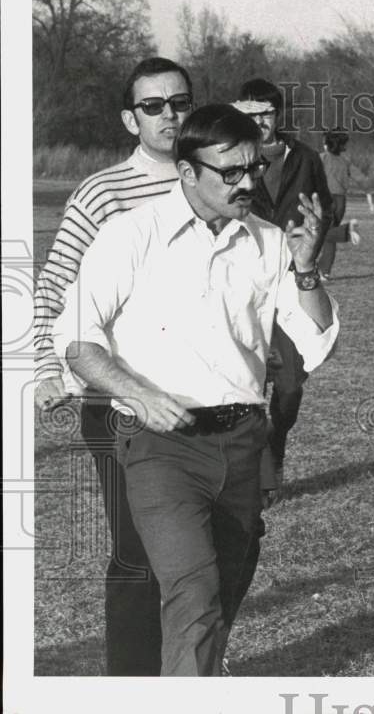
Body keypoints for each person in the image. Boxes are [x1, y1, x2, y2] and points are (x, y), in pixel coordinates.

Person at [52, 103, 339, 676]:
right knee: (195, 592)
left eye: (253, 168)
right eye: (229, 172)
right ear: (188, 172)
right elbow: (77, 341)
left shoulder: (269, 241)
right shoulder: (131, 233)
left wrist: (305, 269)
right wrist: (137, 394)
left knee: (220, 603)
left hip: (242, 444)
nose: (247, 183)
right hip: (161, 443)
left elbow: (315, 342)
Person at [32, 56, 195, 675]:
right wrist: (47, 367)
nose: (169, 115)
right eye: (153, 106)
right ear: (132, 119)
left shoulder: (216, 182)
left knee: (206, 552)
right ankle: (131, 684)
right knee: (137, 552)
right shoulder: (103, 193)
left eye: (179, 101)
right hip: (120, 402)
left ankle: (191, 674)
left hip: (203, 402)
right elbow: (54, 285)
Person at [232, 78, 333, 499]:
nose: (260, 123)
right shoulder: (229, 159)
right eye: (251, 116)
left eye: (267, 114)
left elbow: (323, 209)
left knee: (289, 386)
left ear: (278, 114)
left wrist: (314, 258)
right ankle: (259, 476)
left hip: (291, 284)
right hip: (245, 285)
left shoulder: (305, 157)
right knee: (246, 385)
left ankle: (276, 443)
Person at [316, 127, 363, 280]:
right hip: (341, 201)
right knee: (329, 236)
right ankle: (324, 271)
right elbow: (361, 178)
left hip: (325, 199)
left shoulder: (322, 158)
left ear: (327, 144)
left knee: (321, 233)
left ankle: (346, 230)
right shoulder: (345, 161)